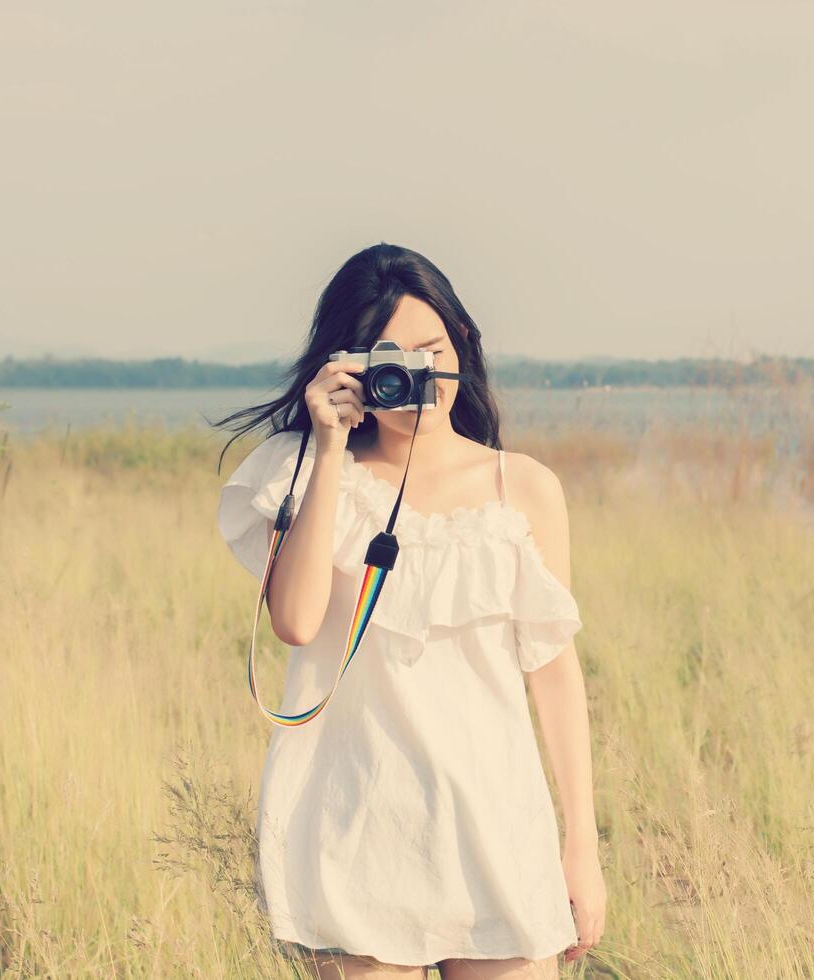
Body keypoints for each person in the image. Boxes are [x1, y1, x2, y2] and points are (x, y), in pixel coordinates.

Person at [212, 244, 606, 979]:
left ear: (462, 348)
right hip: (355, 830)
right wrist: (329, 449)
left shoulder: (523, 488)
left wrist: (579, 847)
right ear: (350, 367)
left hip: (498, 828)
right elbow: (296, 622)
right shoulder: (302, 472)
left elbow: (554, 673)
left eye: (434, 351)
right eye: (393, 362)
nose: (420, 379)